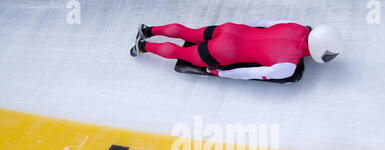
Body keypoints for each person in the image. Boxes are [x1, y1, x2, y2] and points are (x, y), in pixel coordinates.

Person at [130, 21, 344, 80]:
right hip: (225, 52)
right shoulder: (287, 67)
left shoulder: (297, 25)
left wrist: (239, 29)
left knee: (189, 32)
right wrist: (220, 73)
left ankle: (148, 29)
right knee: (182, 54)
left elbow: (264, 23)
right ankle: (143, 46)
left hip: (232, 29)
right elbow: (248, 73)